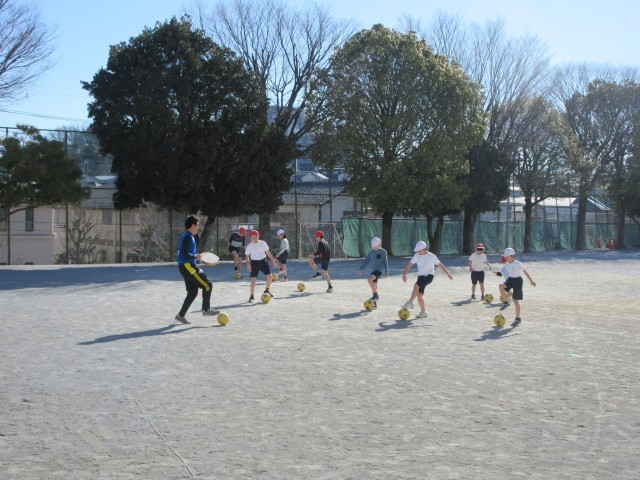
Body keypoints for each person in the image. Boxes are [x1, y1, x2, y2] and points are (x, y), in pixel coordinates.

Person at [175, 215, 219, 324]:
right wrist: (195, 256)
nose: (199, 227)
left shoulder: (188, 236)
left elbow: (184, 252)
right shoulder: (188, 237)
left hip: (185, 266)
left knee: (192, 292)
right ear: (193, 225)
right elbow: (184, 253)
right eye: (198, 225)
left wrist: (195, 256)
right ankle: (206, 309)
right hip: (188, 266)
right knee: (207, 284)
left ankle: (180, 315)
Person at [402, 240, 453, 319]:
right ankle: (423, 312)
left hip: (429, 276)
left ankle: (410, 303)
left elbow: (440, 265)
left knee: (416, 286)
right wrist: (404, 274)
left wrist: (448, 274)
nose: (418, 252)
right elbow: (410, 264)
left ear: (424, 249)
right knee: (419, 295)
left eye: (419, 250)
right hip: (421, 277)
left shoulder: (431, 256)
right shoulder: (417, 256)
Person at [494, 247, 536, 327]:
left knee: (516, 301)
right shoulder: (506, 265)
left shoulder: (517, 263)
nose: (505, 258)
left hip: (518, 282)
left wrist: (531, 281)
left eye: (507, 256)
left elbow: (525, 271)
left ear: (512, 256)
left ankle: (517, 319)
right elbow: (501, 273)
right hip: (510, 280)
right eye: (505, 256)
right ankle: (506, 302)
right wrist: (497, 273)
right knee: (501, 286)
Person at [244, 229, 278, 302]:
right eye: (253, 238)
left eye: (256, 237)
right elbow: (247, 257)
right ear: (250, 238)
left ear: (258, 236)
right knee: (253, 279)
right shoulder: (249, 246)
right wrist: (248, 264)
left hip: (263, 261)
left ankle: (267, 290)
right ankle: (251, 296)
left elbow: (268, 252)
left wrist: (273, 261)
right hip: (254, 263)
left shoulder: (263, 243)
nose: (255, 239)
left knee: (270, 276)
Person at [357, 237, 388, 304]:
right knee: (374, 285)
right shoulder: (371, 252)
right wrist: (361, 268)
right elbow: (366, 261)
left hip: (379, 270)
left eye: (375, 246)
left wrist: (386, 272)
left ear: (379, 245)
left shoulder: (383, 252)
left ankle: (376, 295)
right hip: (374, 270)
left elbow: (385, 262)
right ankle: (374, 303)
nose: (374, 248)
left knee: (369, 280)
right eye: (373, 246)